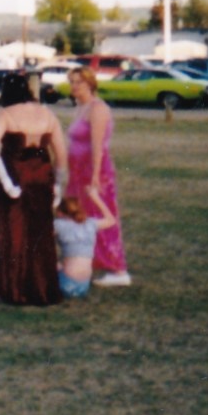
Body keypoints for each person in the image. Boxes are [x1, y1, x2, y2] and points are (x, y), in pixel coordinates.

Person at [0, 72, 67, 307]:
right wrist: (59, 186)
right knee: (41, 233)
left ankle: (15, 290)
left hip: (15, 177)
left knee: (13, 233)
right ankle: (43, 289)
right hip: (42, 177)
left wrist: (5, 181)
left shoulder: (5, 115)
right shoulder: (48, 114)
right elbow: (61, 155)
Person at [65, 69, 130, 287]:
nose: (75, 87)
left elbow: (97, 146)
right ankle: (84, 261)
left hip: (94, 171)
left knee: (100, 217)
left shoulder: (98, 109)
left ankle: (118, 269)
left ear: (90, 84)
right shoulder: (80, 108)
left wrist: (94, 177)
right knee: (76, 215)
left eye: (79, 83)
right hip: (77, 171)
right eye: (72, 83)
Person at [54, 197, 117, 300]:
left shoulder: (59, 225)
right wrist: (95, 197)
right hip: (83, 287)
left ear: (60, 213)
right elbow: (111, 220)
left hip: (65, 285)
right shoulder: (90, 223)